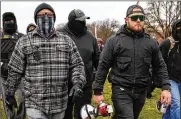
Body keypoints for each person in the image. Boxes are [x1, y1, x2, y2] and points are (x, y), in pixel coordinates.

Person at [4, 3, 86, 119]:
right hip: (34, 103)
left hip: (59, 103)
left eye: (49, 14)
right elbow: (14, 70)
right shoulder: (24, 42)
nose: (46, 17)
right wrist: (10, 92)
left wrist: (77, 83)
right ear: (36, 18)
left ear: (54, 17)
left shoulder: (66, 41)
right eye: (42, 14)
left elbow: (77, 64)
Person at [92, 4, 171, 119]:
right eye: (134, 18)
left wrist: (166, 88)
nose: (138, 20)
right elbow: (103, 66)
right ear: (126, 19)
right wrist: (98, 90)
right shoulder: (114, 41)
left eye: (141, 18)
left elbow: (160, 65)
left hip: (142, 91)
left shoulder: (151, 43)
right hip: (121, 89)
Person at [57, 9, 100, 119]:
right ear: (71, 21)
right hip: (63, 86)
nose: (82, 23)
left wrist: (96, 79)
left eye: (84, 21)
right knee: (64, 116)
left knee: (83, 115)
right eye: (79, 21)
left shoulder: (90, 37)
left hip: (85, 86)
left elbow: (97, 60)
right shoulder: (59, 35)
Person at [0, 12, 24, 119]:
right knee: (7, 101)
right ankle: (11, 117)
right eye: (6, 21)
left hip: (20, 76)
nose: (9, 23)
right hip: (3, 76)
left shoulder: (22, 37)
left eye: (11, 21)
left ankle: (20, 117)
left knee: (22, 98)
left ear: (15, 21)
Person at [160, 19, 181, 119]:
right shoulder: (167, 43)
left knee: (169, 105)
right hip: (170, 79)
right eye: (178, 28)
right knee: (176, 104)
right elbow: (158, 62)